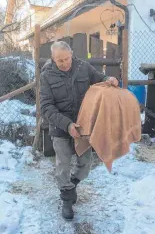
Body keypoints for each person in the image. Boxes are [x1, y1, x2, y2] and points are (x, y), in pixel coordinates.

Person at [40, 41, 118, 220]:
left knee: (85, 164)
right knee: (63, 165)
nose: (64, 63)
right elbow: (46, 107)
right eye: (59, 60)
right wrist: (67, 125)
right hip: (60, 127)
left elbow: (99, 78)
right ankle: (67, 199)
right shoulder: (46, 76)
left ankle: (72, 185)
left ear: (71, 54)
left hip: (83, 125)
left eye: (66, 58)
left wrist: (108, 80)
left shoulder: (83, 67)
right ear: (53, 58)